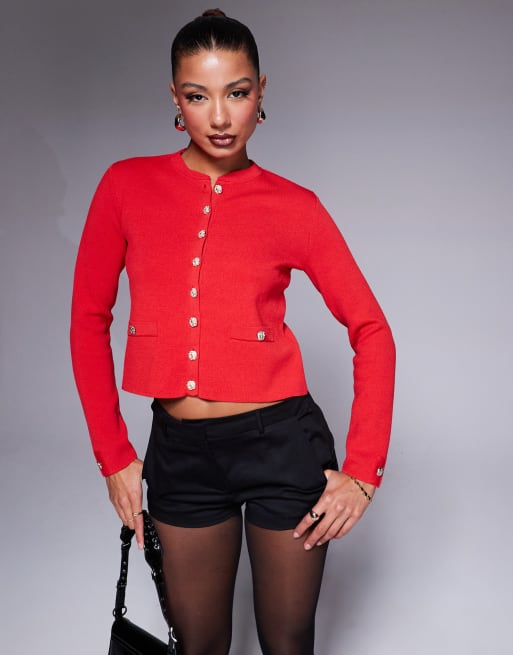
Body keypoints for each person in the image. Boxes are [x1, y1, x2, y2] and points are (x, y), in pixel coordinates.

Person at [70, 8, 395, 655]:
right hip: (181, 456)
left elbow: (372, 329)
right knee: (198, 647)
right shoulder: (125, 186)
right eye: (199, 96)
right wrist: (114, 455)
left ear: (260, 92)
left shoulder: (294, 205)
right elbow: (87, 320)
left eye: (236, 92)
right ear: (175, 97)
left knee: (287, 644)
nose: (219, 117)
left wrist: (362, 471)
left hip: (283, 446)